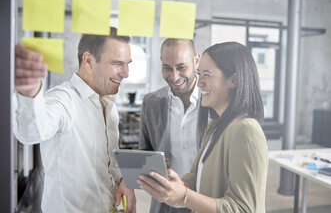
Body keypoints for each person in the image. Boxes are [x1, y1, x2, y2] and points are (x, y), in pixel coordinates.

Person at [13, 27, 136, 213]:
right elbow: (32, 133)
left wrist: (123, 180)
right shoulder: (64, 99)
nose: (126, 73)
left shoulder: (110, 106)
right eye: (118, 64)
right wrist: (30, 93)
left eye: (128, 64)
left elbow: (108, 162)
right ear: (88, 60)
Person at [137, 42, 268, 213]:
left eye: (207, 75)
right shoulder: (215, 125)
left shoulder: (246, 130)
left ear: (233, 80)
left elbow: (243, 208)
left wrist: (183, 195)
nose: (199, 83)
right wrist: (177, 184)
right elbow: (196, 175)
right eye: (200, 74)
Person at [139, 38, 201, 213]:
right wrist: (152, 163)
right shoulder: (151, 102)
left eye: (181, 67)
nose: (174, 77)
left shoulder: (215, 101)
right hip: (165, 204)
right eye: (167, 68)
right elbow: (144, 150)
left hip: (204, 201)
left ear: (196, 61)